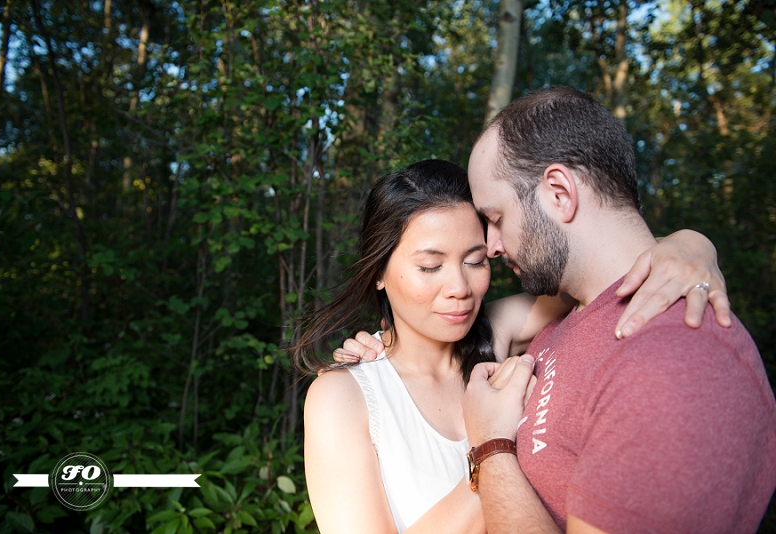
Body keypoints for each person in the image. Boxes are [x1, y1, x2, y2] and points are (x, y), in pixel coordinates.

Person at [295, 159, 731, 534]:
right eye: (430, 266)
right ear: (378, 272)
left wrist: (692, 245)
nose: (460, 288)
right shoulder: (342, 398)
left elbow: (606, 268)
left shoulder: (497, 333)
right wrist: (494, 446)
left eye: (475, 261)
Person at [458, 86, 776, 534]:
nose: (491, 245)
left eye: (496, 218)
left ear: (559, 193)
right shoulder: (567, 315)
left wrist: (491, 447)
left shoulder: (677, 364)